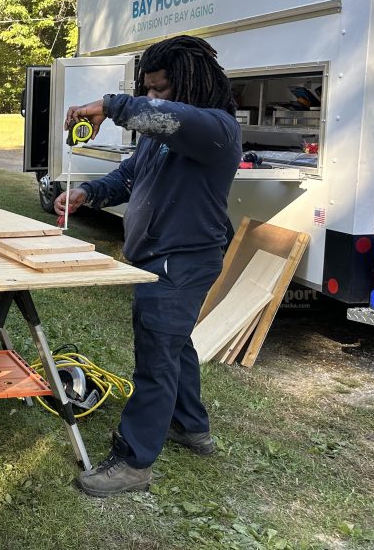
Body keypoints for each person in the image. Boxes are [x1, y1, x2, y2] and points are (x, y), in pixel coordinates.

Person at [53, 35, 240, 497]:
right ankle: (190, 426)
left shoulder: (215, 129)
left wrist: (111, 104)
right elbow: (131, 174)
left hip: (185, 259)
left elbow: (170, 118)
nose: (154, 99)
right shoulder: (161, 137)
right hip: (160, 257)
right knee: (174, 345)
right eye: (148, 90)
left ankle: (135, 462)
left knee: (156, 356)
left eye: (163, 90)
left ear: (193, 86)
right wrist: (88, 193)